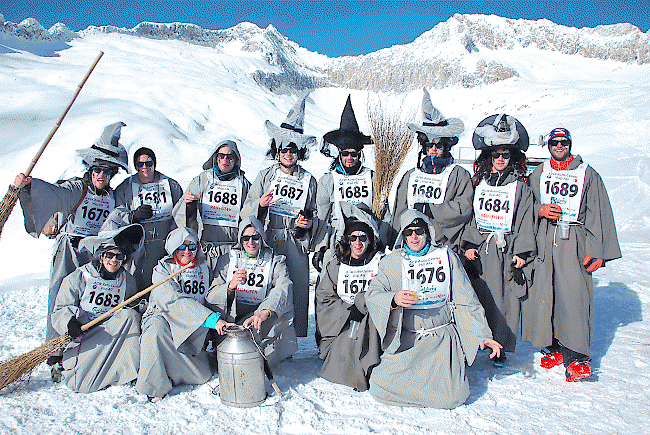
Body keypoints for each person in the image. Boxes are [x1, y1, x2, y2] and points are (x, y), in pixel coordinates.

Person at [13, 121, 130, 380]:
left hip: (95, 253)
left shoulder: (111, 196)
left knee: (89, 298)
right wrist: (30, 186)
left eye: (108, 172)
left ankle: (84, 349)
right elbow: (54, 193)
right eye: (98, 170)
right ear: (91, 169)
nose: (102, 176)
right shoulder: (79, 188)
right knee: (60, 297)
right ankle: (54, 353)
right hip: (70, 248)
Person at [365, 210, 502, 408]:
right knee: (380, 387)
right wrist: (393, 299)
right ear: (402, 234)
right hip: (408, 340)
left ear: (427, 232)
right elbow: (373, 294)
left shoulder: (447, 258)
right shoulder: (392, 262)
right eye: (408, 232)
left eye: (418, 231)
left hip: (440, 340)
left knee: (454, 396)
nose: (414, 236)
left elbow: (466, 301)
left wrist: (481, 335)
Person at [522, 127, 621, 382]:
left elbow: (599, 212)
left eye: (563, 142)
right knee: (546, 293)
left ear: (569, 144)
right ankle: (553, 347)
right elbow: (526, 204)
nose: (558, 146)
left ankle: (577, 356)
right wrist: (541, 211)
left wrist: (597, 250)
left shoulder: (586, 173)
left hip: (574, 240)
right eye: (554, 142)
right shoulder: (540, 173)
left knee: (574, 296)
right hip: (546, 238)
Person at [461, 114, 536, 367]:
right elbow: (472, 217)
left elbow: (525, 219)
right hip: (483, 250)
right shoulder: (479, 184)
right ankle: (478, 339)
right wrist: (470, 244)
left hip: (506, 249)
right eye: (496, 155)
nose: (501, 159)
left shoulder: (520, 187)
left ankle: (501, 346)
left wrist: (522, 251)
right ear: (488, 158)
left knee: (504, 300)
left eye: (505, 154)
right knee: (480, 295)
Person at [241, 96, 317, 338]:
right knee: (268, 286)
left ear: (299, 152)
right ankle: (263, 331)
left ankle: (291, 336)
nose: (288, 154)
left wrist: (308, 224)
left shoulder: (309, 180)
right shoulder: (265, 175)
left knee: (294, 287)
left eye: (293, 149)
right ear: (277, 150)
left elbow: (316, 212)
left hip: (296, 241)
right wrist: (260, 205)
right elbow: (246, 209)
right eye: (283, 149)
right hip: (269, 238)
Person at [136, 227, 233, 400]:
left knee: (203, 374)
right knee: (155, 332)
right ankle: (153, 385)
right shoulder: (162, 269)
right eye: (182, 247)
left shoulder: (203, 267)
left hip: (194, 325)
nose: (187, 251)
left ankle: (174, 371)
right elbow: (173, 299)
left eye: (192, 247)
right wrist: (210, 319)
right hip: (164, 317)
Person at [51, 224, 144, 393]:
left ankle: (126, 371)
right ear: (101, 256)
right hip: (85, 334)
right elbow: (61, 309)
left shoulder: (127, 280)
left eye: (119, 256)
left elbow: (130, 308)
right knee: (82, 384)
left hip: (112, 335)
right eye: (110, 255)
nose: (114, 260)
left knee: (130, 316)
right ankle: (65, 364)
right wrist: (69, 322)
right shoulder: (79, 277)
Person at [313, 95, 391, 272]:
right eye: (345, 154)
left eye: (353, 154)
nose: (349, 158)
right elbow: (322, 216)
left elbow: (385, 213)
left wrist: (383, 240)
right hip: (337, 240)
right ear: (339, 155)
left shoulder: (373, 177)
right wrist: (320, 248)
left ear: (359, 155)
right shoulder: (329, 180)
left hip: (367, 242)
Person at [207, 217, 298, 366]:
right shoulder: (227, 261)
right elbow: (211, 295)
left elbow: (284, 286)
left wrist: (265, 312)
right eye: (246, 238)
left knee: (282, 310)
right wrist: (230, 286)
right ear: (240, 240)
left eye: (255, 237)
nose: (251, 242)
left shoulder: (275, 260)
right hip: (232, 318)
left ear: (261, 237)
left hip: (258, 316)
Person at [391, 88, 473, 253]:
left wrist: (432, 209)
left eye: (439, 145)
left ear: (446, 146)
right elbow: (399, 212)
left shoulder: (459, 175)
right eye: (429, 145)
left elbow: (463, 209)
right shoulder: (410, 176)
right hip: (411, 247)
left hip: (444, 247)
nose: (434, 149)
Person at [315, 201, 383, 391]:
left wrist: (365, 306)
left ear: (370, 239)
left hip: (373, 322)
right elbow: (324, 297)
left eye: (363, 237)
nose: (358, 243)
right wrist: (349, 310)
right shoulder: (336, 265)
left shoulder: (381, 262)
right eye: (353, 238)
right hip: (344, 321)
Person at [113, 147, 183, 289]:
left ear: (154, 164)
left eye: (148, 163)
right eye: (140, 164)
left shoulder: (171, 185)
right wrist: (133, 216)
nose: (145, 167)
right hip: (137, 248)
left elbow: (180, 215)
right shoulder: (125, 188)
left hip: (162, 246)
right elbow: (116, 216)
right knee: (136, 284)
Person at [173, 138, 251, 258]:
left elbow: (251, 213)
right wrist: (190, 205)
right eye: (221, 155)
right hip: (204, 248)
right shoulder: (202, 179)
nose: (225, 160)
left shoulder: (243, 184)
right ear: (216, 157)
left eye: (230, 156)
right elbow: (180, 213)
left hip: (232, 249)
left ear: (235, 159)